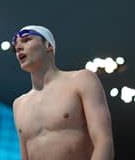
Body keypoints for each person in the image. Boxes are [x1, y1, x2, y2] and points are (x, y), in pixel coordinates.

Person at [12, 25, 114, 160]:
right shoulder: (19, 104)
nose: (18, 47)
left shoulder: (81, 80)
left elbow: (103, 141)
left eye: (26, 40)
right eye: (16, 44)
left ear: (48, 45)